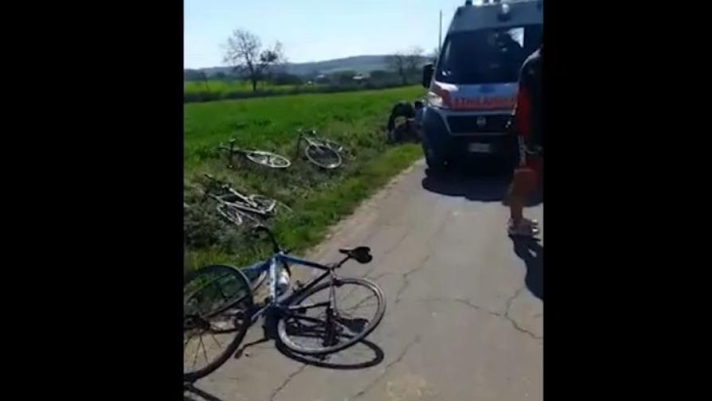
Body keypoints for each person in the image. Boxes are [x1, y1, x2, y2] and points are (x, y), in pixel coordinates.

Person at [507, 43, 542, 237]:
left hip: (532, 130)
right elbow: (526, 103)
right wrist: (525, 135)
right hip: (531, 133)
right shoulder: (534, 65)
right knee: (524, 178)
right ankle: (516, 223)